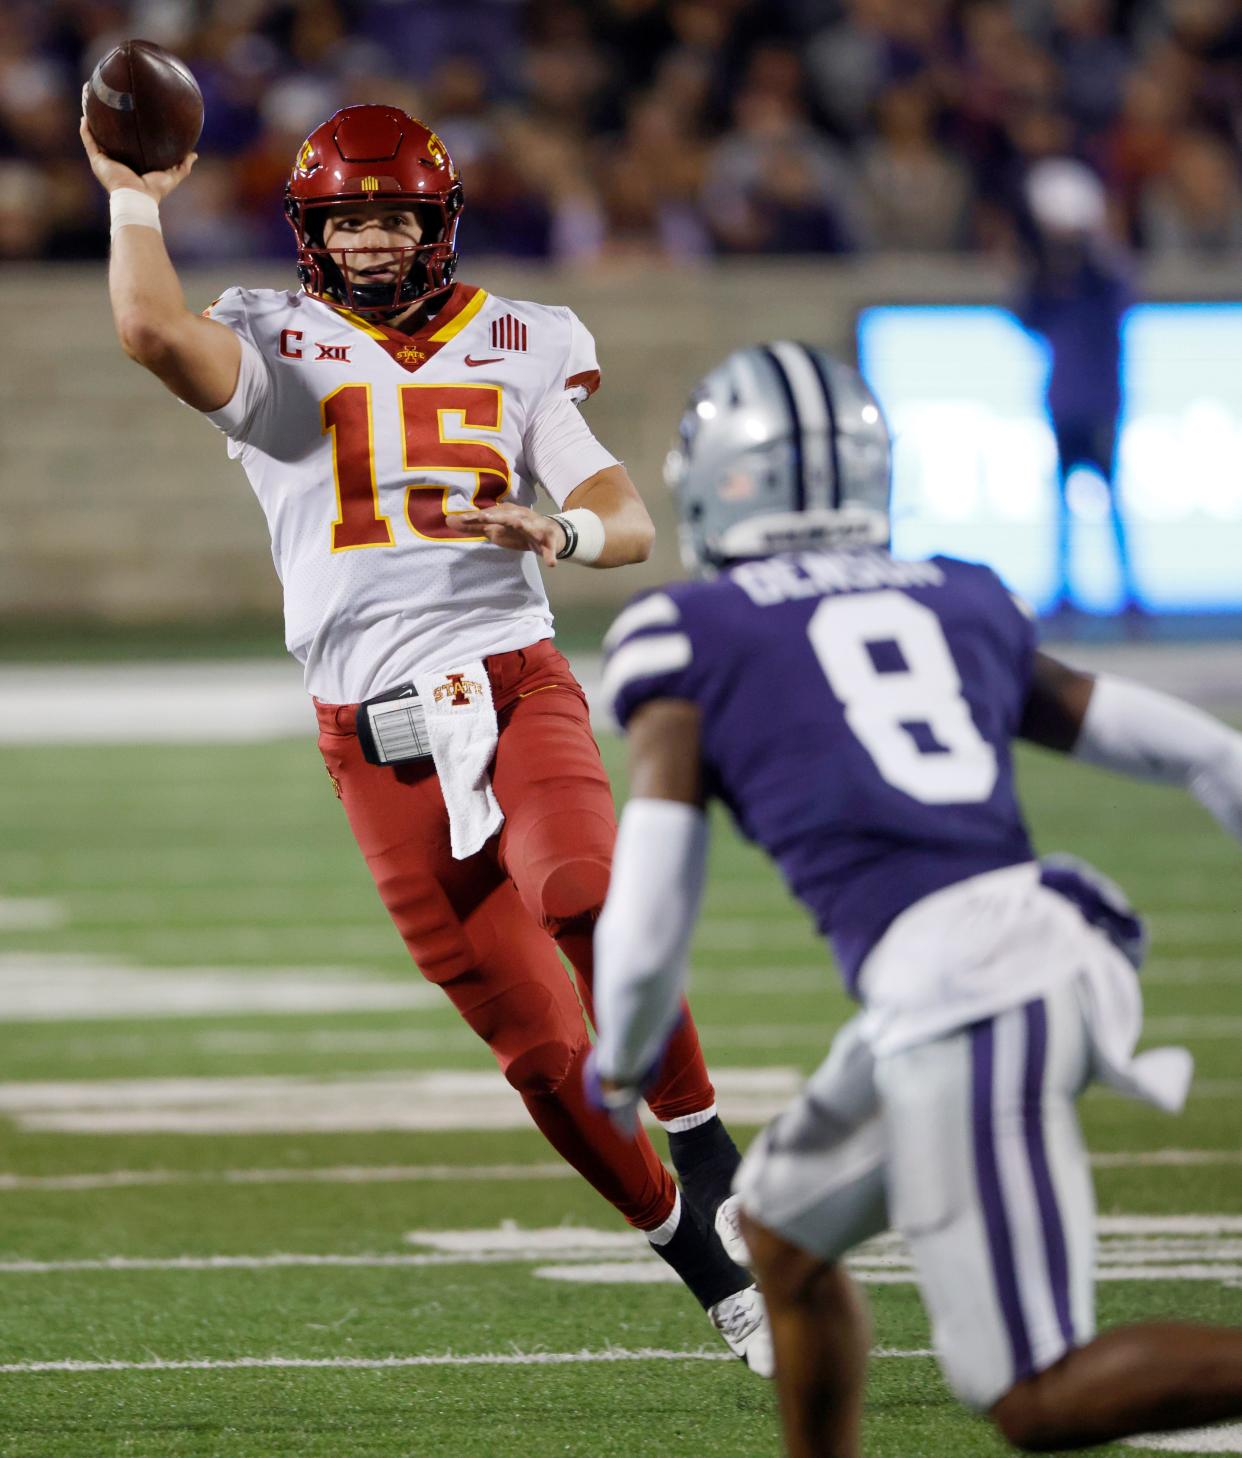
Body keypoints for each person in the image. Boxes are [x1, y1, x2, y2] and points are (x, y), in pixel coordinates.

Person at [79, 100, 771, 1372]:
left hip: (512, 680)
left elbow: (625, 516)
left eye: (396, 214)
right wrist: (134, 194)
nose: (376, 239)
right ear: (312, 232)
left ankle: (710, 1138)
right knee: (547, 1062)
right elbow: (143, 327)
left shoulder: (521, 338)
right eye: (350, 218)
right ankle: (712, 1270)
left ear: (438, 221)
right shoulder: (272, 341)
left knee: (584, 890)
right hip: (371, 739)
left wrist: (555, 532)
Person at [587, 339, 1242, 1454]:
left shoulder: (690, 632)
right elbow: (1204, 753)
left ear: (721, 480)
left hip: (973, 994)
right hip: (1009, 954)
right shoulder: (960, 593)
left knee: (1035, 1394)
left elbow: (651, 888)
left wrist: (624, 1052)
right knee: (784, 1229)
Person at [1014, 158, 1139, 616]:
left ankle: (1128, 589)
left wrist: (1095, 249)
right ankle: (1067, 588)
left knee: (1111, 496)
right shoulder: (1049, 274)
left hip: (1099, 399)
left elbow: (1120, 298)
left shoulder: (1103, 270)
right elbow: (1027, 316)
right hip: (1067, 399)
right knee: (1065, 502)